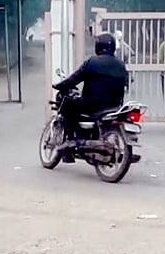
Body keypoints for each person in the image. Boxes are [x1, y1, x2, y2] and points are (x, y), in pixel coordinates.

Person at [51, 33, 129, 162]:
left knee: (68, 105)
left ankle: (71, 141)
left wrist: (59, 86)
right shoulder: (121, 65)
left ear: (98, 46)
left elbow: (74, 78)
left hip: (93, 105)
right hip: (115, 106)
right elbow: (126, 82)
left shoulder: (92, 62)